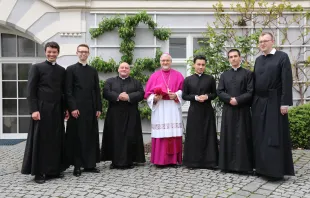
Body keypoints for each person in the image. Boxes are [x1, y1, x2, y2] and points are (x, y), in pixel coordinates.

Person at [21, 42, 68, 184]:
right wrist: (33, 110)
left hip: (57, 109)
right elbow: (30, 91)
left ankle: (54, 170)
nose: (51, 54)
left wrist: (65, 108)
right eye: (49, 52)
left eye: (54, 52)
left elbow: (63, 91)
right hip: (41, 109)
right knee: (41, 141)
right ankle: (39, 172)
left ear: (58, 52)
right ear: (45, 52)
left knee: (56, 139)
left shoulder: (61, 70)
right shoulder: (37, 68)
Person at [252, 32, 294, 180]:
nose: (262, 44)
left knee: (273, 136)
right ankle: (261, 168)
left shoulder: (282, 57)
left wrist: (284, 103)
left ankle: (275, 171)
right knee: (260, 136)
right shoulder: (258, 60)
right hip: (259, 102)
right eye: (260, 41)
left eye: (265, 41)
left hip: (275, 102)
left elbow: (286, 81)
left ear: (272, 41)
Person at [65, 44, 102, 176]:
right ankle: (77, 166)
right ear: (77, 53)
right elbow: (68, 91)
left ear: (88, 54)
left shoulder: (93, 70)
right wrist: (72, 107)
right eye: (81, 52)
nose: (83, 54)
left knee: (91, 137)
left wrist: (98, 107)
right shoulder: (70, 69)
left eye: (85, 52)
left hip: (91, 109)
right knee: (77, 137)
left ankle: (90, 165)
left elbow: (97, 90)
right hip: (77, 110)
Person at [101, 62, 145, 169]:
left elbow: (141, 93)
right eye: (122, 67)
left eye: (126, 68)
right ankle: (115, 161)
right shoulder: (110, 81)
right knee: (115, 136)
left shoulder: (136, 82)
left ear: (129, 70)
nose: (124, 69)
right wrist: (118, 96)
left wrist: (129, 96)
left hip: (131, 113)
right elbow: (106, 93)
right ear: (118, 69)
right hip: (114, 114)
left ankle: (129, 161)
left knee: (130, 136)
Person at [144, 53, 184, 167]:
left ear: (171, 62)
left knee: (173, 133)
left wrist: (176, 95)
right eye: (163, 61)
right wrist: (155, 98)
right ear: (160, 62)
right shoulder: (154, 76)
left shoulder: (178, 75)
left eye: (167, 60)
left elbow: (183, 91)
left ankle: (173, 160)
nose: (165, 63)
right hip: (160, 108)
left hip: (172, 108)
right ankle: (159, 160)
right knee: (161, 133)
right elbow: (148, 94)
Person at [217, 49, 253, 173]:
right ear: (228, 59)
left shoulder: (248, 74)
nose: (233, 59)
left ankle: (243, 166)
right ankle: (227, 165)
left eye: (235, 56)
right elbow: (220, 91)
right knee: (228, 136)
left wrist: (237, 100)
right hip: (228, 110)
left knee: (242, 136)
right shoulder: (224, 75)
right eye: (231, 57)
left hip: (243, 110)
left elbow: (250, 92)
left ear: (240, 57)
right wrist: (229, 99)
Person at [182, 55, 218, 169]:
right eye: (198, 64)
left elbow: (215, 94)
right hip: (194, 111)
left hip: (207, 111)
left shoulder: (210, 78)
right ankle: (192, 162)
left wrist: (207, 96)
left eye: (203, 65)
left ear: (205, 65)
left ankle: (210, 162)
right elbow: (184, 95)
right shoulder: (188, 79)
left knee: (209, 135)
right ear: (194, 65)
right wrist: (196, 97)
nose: (201, 67)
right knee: (194, 136)